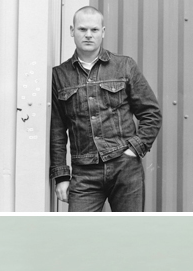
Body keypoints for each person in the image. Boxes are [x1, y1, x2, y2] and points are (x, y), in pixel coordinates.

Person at [50, 6, 162, 212]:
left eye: (94, 30)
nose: (88, 35)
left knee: (128, 233)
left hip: (125, 168)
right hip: (84, 173)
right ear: (71, 31)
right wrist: (62, 176)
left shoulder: (124, 66)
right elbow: (57, 131)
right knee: (79, 235)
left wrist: (133, 150)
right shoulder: (59, 75)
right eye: (82, 29)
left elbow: (151, 113)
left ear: (103, 32)